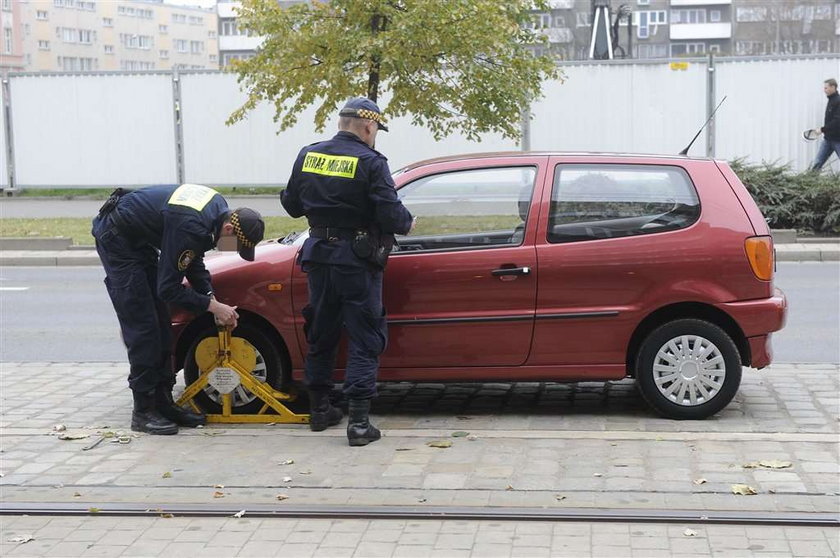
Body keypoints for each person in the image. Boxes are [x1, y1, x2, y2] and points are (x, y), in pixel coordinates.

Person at [281, 97, 414, 446]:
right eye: (376, 131)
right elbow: (391, 215)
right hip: (356, 260)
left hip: (319, 256)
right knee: (364, 335)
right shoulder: (371, 162)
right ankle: (358, 423)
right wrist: (407, 222)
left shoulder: (309, 154)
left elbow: (291, 204)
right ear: (369, 126)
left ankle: (320, 409)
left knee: (321, 330)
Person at [91, 184, 265, 435]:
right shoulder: (190, 225)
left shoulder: (216, 212)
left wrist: (210, 297)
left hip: (137, 238)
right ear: (228, 229)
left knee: (163, 326)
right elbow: (168, 289)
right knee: (145, 329)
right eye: (236, 245)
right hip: (118, 240)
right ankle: (142, 412)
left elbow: (193, 261)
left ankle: (163, 403)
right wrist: (212, 306)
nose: (232, 251)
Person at [809, 78, 840, 171]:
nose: (824, 90)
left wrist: (822, 129)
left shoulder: (838, 101)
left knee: (817, 164)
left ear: (833, 87)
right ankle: (809, 183)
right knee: (816, 165)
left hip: (838, 140)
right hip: (828, 140)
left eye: (826, 88)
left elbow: (837, 121)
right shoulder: (831, 100)